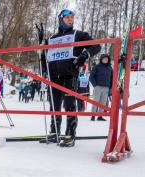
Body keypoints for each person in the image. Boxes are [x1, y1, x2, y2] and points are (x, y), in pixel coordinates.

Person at [40, 9, 101, 147]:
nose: (70, 20)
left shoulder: (78, 35)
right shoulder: (52, 39)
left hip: (69, 74)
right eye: (67, 17)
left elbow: (97, 46)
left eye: (72, 17)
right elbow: (44, 56)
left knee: (69, 105)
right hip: (54, 76)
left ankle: (70, 134)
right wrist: (44, 70)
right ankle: (54, 132)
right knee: (54, 105)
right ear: (61, 19)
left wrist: (86, 54)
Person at [89, 54, 113, 121]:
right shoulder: (97, 67)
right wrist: (95, 85)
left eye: (107, 59)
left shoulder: (110, 68)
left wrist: (110, 87)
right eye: (104, 58)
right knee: (96, 101)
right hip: (98, 87)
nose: (105, 60)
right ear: (101, 59)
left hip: (106, 87)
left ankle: (100, 116)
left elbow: (112, 78)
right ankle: (93, 115)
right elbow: (91, 77)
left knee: (103, 102)